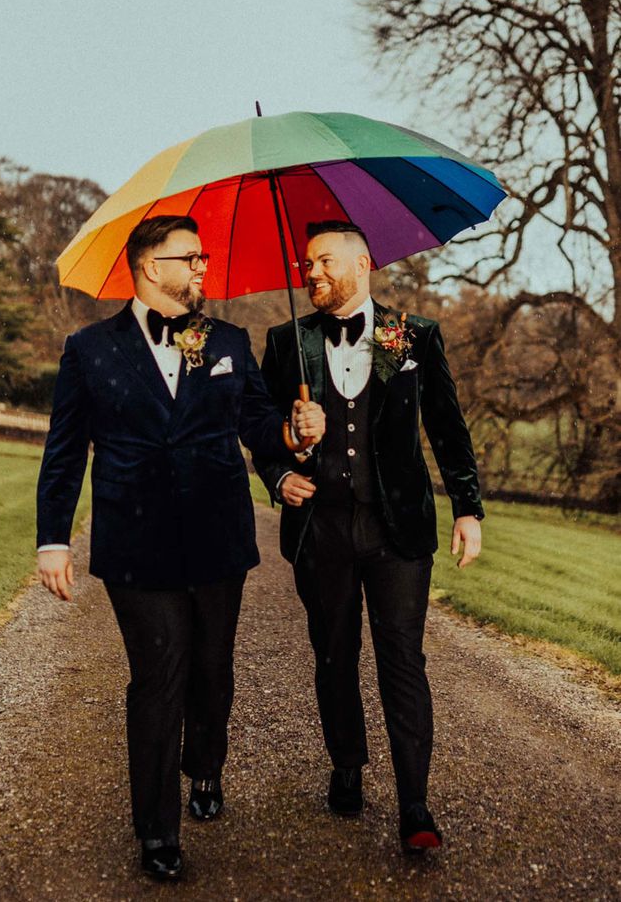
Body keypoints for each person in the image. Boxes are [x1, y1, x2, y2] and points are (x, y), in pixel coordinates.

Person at [36, 214, 324, 882]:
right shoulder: (89, 350)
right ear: (147, 266)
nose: (202, 268)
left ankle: (208, 765)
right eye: (189, 257)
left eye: (202, 258)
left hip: (217, 536)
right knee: (158, 677)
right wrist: (53, 539)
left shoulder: (224, 339)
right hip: (134, 543)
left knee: (211, 670)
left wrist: (294, 431)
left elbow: (256, 422)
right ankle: (157, 831)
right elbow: (63, 453)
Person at [253, 220, 483, 853]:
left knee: (403, 659)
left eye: (324, 261)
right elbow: (260, 432)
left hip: (397, 531)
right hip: (319, 529)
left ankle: (415, 804)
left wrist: (468, 508)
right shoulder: (286, 343)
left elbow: (447, 425)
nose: (312, 273)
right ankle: (347, 764)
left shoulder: (412, 335)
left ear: (362, 264)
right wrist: (283, 465)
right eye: (306, 264)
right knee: (333, 652)